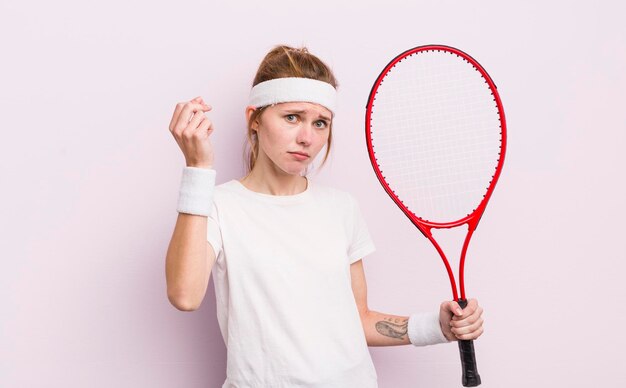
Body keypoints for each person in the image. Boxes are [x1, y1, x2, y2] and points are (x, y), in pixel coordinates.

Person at [165, 45, 484, 388]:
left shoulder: (341, 207)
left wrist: (437, 327)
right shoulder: (216, 205)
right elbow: (185, 295)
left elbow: (357, 320)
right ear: (254, 119)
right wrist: (198, 169)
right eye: (292, 117)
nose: (307, 138)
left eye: (320, 123)